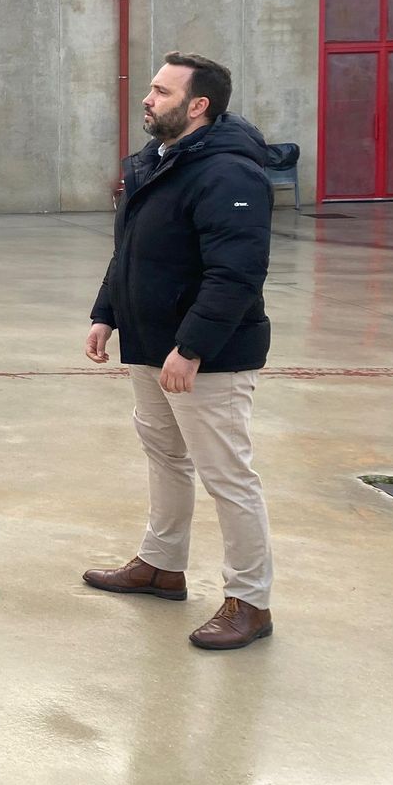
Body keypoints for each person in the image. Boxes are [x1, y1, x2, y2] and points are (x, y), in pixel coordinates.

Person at [83, 51, 276, 650]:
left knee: (228, 477)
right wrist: (106, 313)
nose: (148, 98)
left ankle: (250, 601)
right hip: (148, 345)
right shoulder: (154, 162)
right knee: (165, 459)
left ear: (199, 106)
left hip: (207, 358)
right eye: (150, 88)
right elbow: (132, 250)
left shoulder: (230, 174)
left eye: (162, 92)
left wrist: (191, 347)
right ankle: (162, 566)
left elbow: (236, 273)